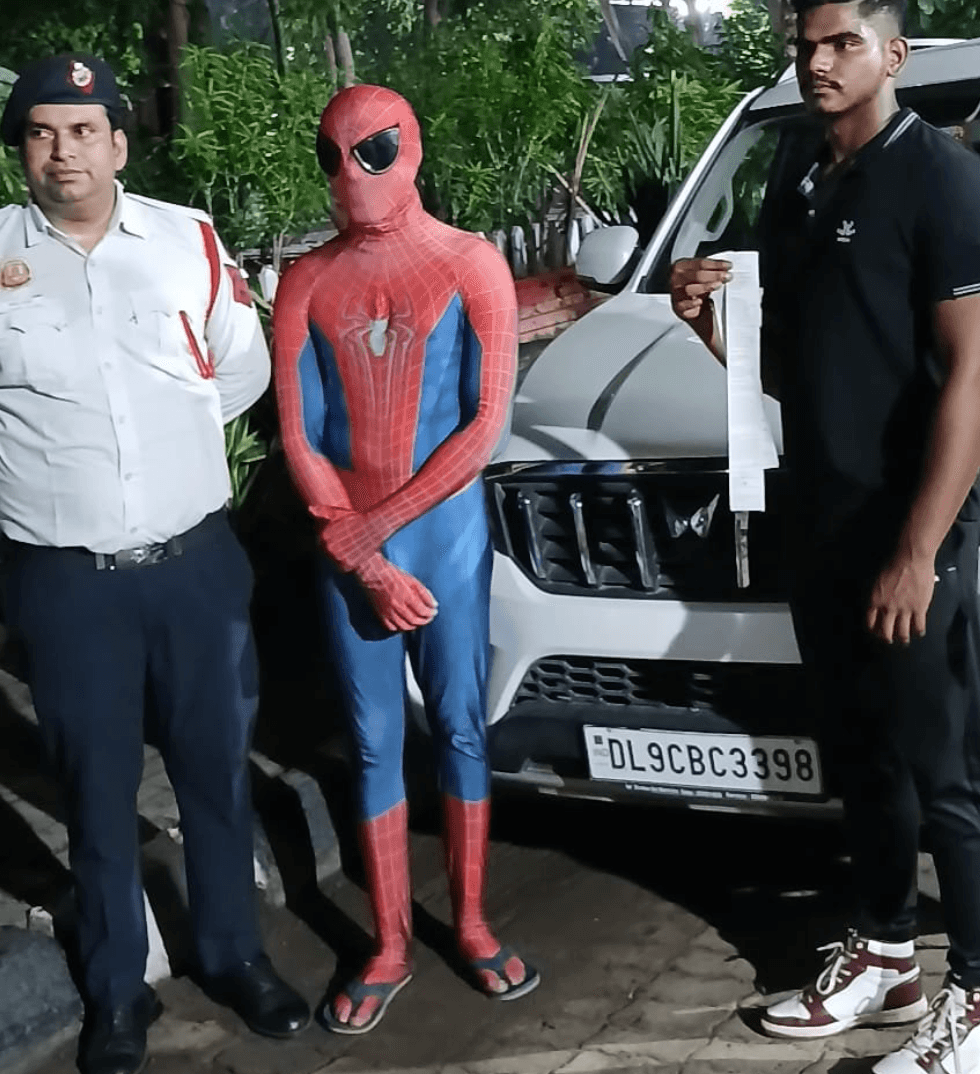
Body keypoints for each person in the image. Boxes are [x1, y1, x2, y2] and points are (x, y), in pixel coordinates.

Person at [0, 53, 310, 1074]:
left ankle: (230, 952)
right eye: (42, 131)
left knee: (216, 772)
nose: (64, 149)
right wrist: (40, 477)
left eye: (84, 129)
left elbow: (239, 367)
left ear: (119, 142)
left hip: (196, 565)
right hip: (67, 582)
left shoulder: (187, 242)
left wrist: (159, 462)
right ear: (21, 150)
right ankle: (119, 989)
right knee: (94, 787)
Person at [669, 2, 980, 1071]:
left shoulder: (946, 183)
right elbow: (798, 371)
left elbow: (979, 372)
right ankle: (885, 953)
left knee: (945, 769)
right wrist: (708, 328)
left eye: (841, 45)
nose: (816, 64)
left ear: (893, 54)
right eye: (804, 47)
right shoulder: (803, 180)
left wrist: (920, 547)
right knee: (860, 755)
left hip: (907, 530)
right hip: (820, 521)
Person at [272, 84, 537, 1035]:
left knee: (463, 727)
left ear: (411, 150)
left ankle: (467, 919)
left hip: (437, 541)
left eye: (373, 150)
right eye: (334, 155)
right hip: (354, 546)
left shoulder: (472, 264)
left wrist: (363, 537)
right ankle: (388, 941)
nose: (351, 176)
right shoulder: (305, 280)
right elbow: (300, 431)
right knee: (375, 741)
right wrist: (359, 550)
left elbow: (481, 427)